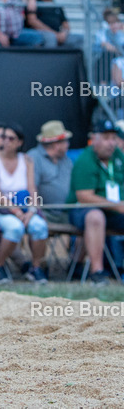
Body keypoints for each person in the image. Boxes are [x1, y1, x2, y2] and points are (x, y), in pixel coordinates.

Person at [0, 122, 48, 284]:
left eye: (11, 138)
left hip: (26, 208)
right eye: (3, 137)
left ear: (19, 142)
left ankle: (35, 268)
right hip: (1, 209)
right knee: (15, 228)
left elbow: (32, 188)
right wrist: (16, 211)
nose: (6, 141)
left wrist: (31, 210)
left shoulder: (27, 160)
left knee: (39, 226)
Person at [67, 119, 124, 286]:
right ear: (94, 139)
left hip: (114, 211)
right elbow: (84, 196)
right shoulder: (85, 160)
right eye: (106, 138)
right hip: (81, 210)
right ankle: (97, 272)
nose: (111, 143)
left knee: (100, 215)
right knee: (95, 216)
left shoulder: (118, 157)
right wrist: (118, 206)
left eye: (113, 138)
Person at [27, 120, 73, 226]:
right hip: (45, 214)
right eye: (65, 141)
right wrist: (37, 212)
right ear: (55, 144)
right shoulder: (34, 157)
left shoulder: (66, 160)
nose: (68, 144)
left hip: (67, 213)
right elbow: (32, 188)